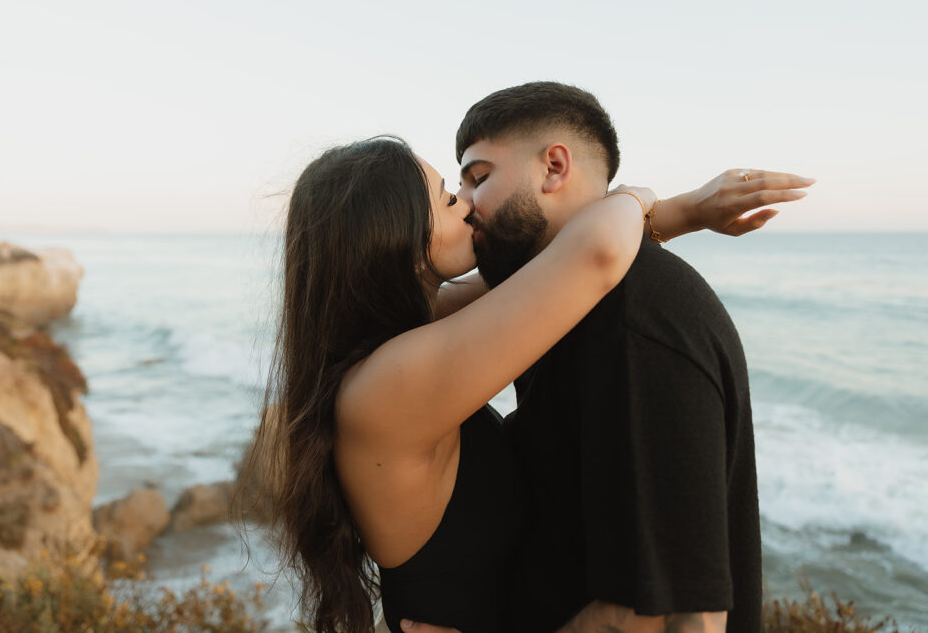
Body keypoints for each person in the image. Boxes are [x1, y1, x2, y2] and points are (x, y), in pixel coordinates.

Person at [235, 129, 810, 630]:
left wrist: (687, 213)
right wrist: (640, 195)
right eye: (443, 196)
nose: (464, 204)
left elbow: (548, 271)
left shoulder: (403, 337)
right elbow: (597, 253)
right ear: (393, 232)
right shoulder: (387, 386)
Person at [409, 82, 803, 633]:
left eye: (479, 178)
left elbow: (663, 619)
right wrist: (663, 210)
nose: (468, 207)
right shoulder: (553, 308)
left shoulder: (631, 321)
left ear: (553, 167)